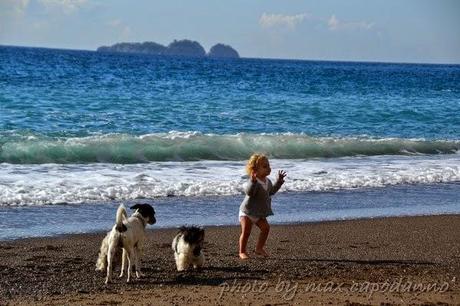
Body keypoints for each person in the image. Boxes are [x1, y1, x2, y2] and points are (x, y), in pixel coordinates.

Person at [238, 153, 287, 259]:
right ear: (254, 170)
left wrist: (278, 182)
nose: (268, 168)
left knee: (266, 228)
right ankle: (242, 252)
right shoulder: (253, 182)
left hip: (259, 213)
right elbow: (249, 192)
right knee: (246, 231)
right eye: (265, 167)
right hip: (247, 212)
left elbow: (271, 192)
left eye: (268, 166)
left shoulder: (267, 182)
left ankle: (259, 248)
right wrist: (253, 182)